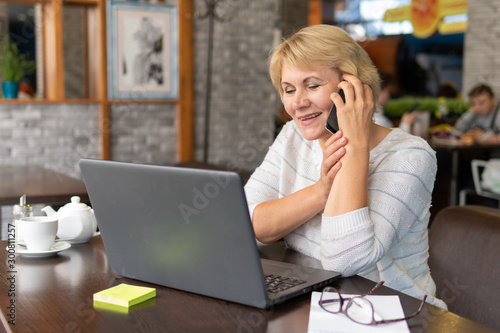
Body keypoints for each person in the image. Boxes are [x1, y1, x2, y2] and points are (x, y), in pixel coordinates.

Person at [244, 24, 446, 309]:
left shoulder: (410, 155)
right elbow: (253, 223)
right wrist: (320, 192)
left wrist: (355, 145)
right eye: (289, 89)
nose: (298, 103)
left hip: (395, 312)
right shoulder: (293, 136)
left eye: (312, 85)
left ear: (353, 86)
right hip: (317, 299)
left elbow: (346, 259)